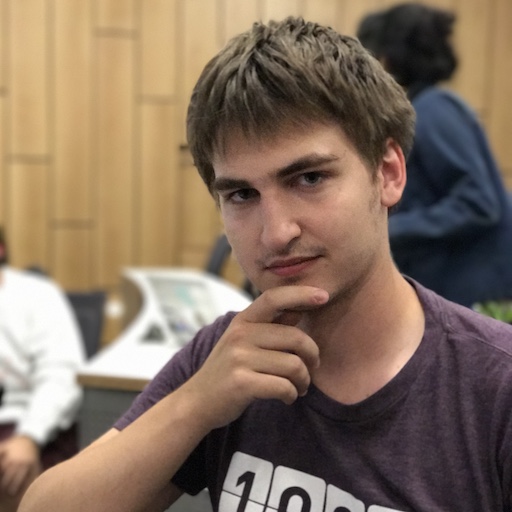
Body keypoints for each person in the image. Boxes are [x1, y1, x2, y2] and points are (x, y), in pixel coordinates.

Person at [20, 16, 512, 512]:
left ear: (387, 173)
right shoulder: (225, 355)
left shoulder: (495, 386)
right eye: (241, 194)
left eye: (310, 178)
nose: (276, 233)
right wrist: (195, 407)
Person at [357, 2, 512, 308]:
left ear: (386, 60)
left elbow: (479, 202)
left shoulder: (433, 110)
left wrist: (389, 228)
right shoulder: (429, 108)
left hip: (477, 295)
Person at [0, 248, 85, 511]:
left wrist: (29, 436)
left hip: (27, 424)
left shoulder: (37, 295)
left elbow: (61, 375)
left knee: (13, 473)